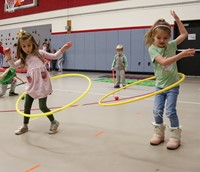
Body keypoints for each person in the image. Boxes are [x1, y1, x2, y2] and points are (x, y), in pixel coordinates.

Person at [4, 29, 72, 135]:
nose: (27, 48)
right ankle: (25, 125)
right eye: (24, 46)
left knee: (42, 106)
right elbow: (13, 66)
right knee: (26, 107)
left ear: (33, 44)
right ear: (21, 47)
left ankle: (54, 122)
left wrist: (63, 49)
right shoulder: (24, 58)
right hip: (31, 85)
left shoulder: (40, 53)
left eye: (29, 45)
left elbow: (54, 56)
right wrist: (8, 57)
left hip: (42, 84)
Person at [144, 11, 196, 150]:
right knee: (157, 111)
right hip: (160, 86)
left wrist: (178, 19)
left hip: (172, 85)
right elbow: (164, 62)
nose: (162, 40)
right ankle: (159, 134)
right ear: (153, 37)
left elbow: (184, 34)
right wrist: (182, 55)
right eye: (159, 37)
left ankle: (175, 137)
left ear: (169, 38)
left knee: (171, 111)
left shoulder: (171, 45)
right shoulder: (152, 49)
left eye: (165, 38)